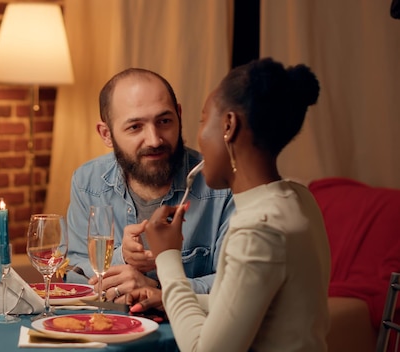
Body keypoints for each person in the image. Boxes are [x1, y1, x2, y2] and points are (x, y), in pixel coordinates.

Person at [127, 58, 330, 351]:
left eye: (202, 120)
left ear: (229, 126)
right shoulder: (299, 198)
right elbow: (244, 303)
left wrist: (167, 258)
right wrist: (169, 297)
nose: (198, 137)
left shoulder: (257, 229)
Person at [66, 68, 234, 301]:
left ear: (179, 116)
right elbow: (73, 272)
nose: (155, 140)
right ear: (106, 134)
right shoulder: (87, 181)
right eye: (135, 127)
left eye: (164, 121)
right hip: (108, 330)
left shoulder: (222, 185)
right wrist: (120, 258)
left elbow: (235, 283)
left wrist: (157, 289)